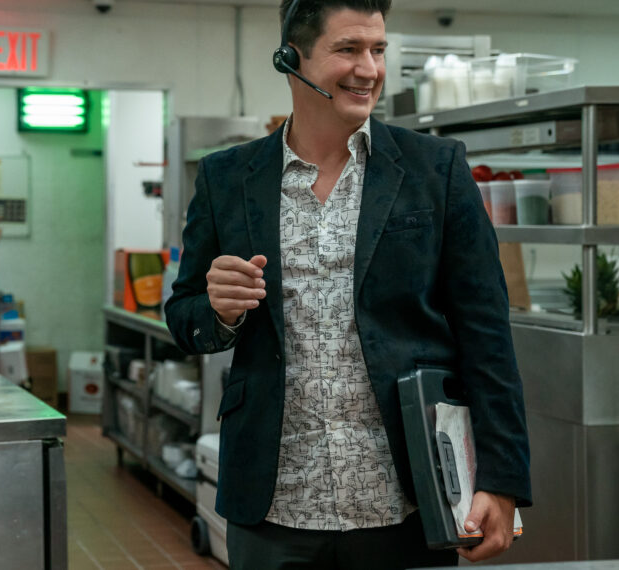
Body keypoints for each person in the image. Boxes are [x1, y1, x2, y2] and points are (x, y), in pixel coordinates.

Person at [164, 0, 531, 568]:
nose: (369, 69)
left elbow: (487, 333)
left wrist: (502, 480)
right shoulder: (228, 178)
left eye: (378, 49)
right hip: (273, 503)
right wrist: (218, 310)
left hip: (410, 499)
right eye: (347, 50)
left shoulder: (436, 170)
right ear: (292, 58)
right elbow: (185, 317)